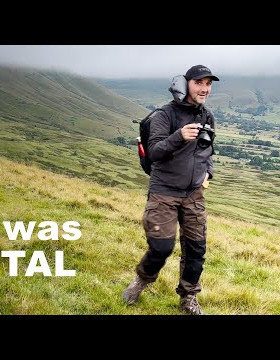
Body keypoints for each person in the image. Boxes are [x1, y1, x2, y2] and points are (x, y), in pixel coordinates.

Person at [122, 65, 219, 315]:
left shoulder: (207, 116)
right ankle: (141, 280)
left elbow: (208, 150)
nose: (205, 89)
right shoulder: (165, 115)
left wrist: (208, 172)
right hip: (164, 191)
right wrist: (179, 136)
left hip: (194, 194)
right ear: (185, 83)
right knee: (161, 248)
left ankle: (188, 297)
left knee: (196, 249)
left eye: (208, 84)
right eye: (199, 83)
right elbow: (154, 152)